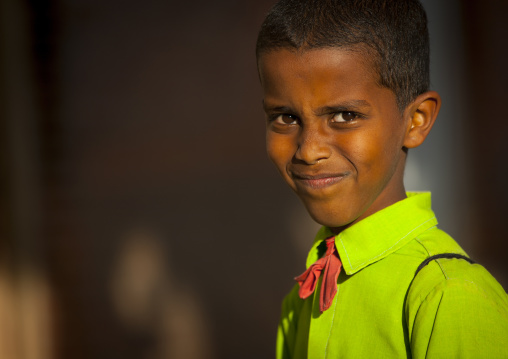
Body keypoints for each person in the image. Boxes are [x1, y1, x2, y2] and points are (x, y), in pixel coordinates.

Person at [255, 0, 508, 357]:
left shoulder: (447, 294)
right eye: (285, 117)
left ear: (416, 119)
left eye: (344, 115)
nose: (309, 151)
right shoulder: (306, 296)